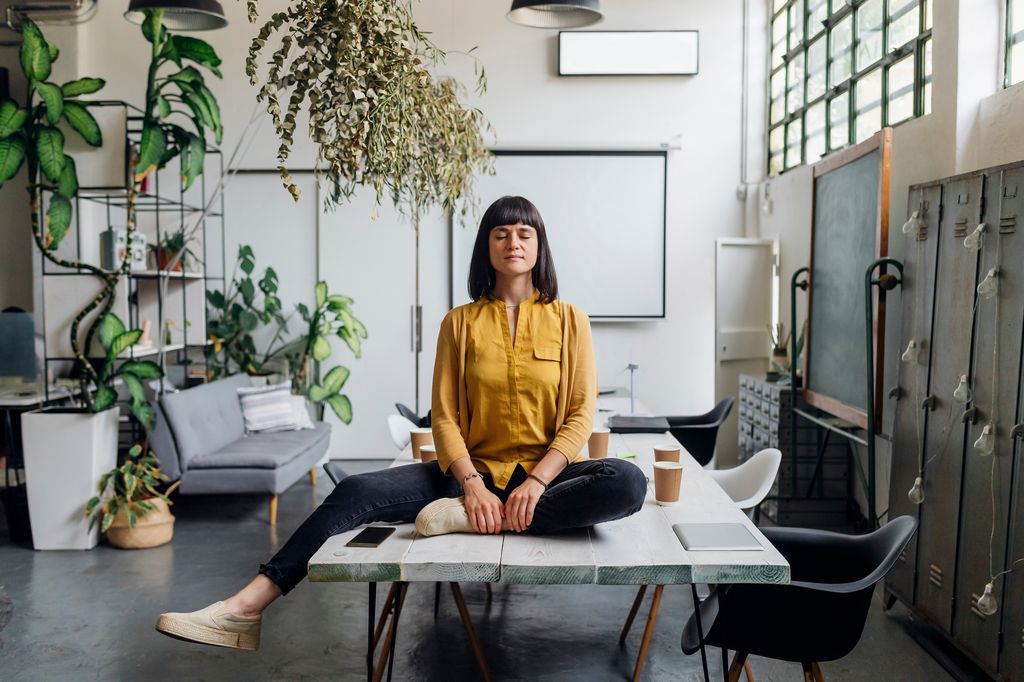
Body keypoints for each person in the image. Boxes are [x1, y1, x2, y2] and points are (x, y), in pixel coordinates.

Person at [155, 195, 648, 651]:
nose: (513, 243)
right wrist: (472, 485)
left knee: (626, 481)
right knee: (354, 492)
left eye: (524, 233)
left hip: (547, 476)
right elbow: (446, 417)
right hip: (468, 476)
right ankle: (244, 608)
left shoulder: (570, 320)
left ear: (539, 246)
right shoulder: (459, 324)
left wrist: (538, 481)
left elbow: (581, 412)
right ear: (486, 246)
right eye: (501, 234)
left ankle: (474, 520)